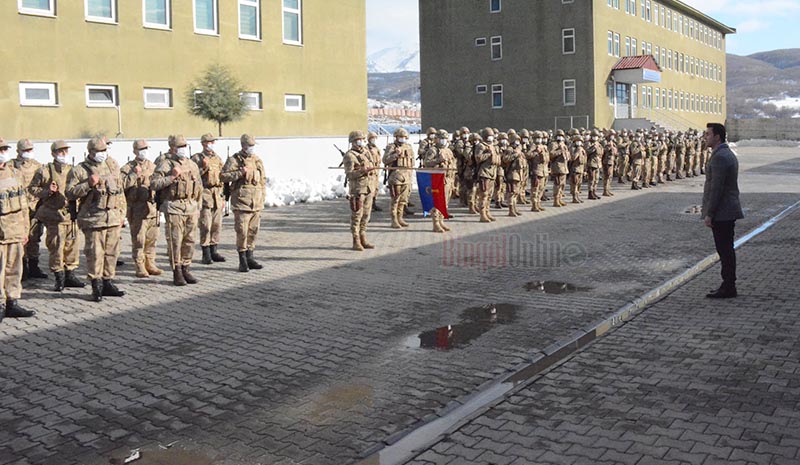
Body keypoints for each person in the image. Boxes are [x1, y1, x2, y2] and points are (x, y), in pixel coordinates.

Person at [66, 137, 126, 302]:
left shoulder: (112, 165)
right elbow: (70, 193)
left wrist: (122, 214)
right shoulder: (79, 170)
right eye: (99, 151)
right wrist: (88, 184)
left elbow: (120, 192)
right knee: (95, 253)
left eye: (104, 150)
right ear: (90, 152)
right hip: (93, 219)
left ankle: (108, 282)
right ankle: (96, 284)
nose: (102, 154)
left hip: (112, 218)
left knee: (112, 253)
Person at [29, 140, 86, 291]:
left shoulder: (74, 170)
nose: (64, 154)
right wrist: (47, 191)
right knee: (56, 247)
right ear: (53, 153)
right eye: (61, 151)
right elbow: (32, 188)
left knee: (72, 247)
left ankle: (70, 275)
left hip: (71, 215)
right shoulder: (45, 171)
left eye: (66, 151)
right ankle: (59, 277)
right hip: (54, 217)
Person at [151, 135, 202, 286]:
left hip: (191, 206)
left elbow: (199, 186)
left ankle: (186, 267)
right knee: (175, 240)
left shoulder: (192, 164)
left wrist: (198, 206)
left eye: (184, 146)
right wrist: (171, 177)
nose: (182, 149)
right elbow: (154, 184)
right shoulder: (165, 164)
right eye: (179, 147)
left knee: (190, 240)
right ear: (172, 148)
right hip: (174, 206)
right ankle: (177, 270)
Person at [702, 123, 743, 299]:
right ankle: (728, 284)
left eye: (708, 134)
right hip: (726, 210)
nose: (705, 137)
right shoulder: (726, 153)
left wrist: (710, 213)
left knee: (725, 251)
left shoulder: (720, 157)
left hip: (722, 212)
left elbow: (716, 188)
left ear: (717, 137)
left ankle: (728, 286)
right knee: (726, 250)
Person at [0, 138, 35, 321]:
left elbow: (23, 205)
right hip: (1, 234)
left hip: (15, 232)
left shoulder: (14, 173)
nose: (2, 153)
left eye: (4, 149)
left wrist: (25, 230)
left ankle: (12, 302)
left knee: (14, 270)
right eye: (0, 150)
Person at [220, 134, 266, 272]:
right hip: (242, 203)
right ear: (243, 145)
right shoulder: (234, 160)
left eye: (253, 145)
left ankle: (250, 257)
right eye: (249, 145)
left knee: (253, 231)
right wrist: (240, 173)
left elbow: (262, 180)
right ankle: (242, 260)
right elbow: (223, 176)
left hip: (256, 203)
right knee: (242, 232)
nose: (252, 148)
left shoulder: (257, 160)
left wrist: (263, 197)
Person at [120, 139, 162, 278]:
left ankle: (150, 263)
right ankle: (139, 265)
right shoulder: (127, 168)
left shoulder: (153, 166)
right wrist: (133, 175)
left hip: (151, 208)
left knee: (152, 238)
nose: (144, 151)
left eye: (146, 148)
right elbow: (121, 185)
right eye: (141, 149)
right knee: (139, 239)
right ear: (135, 151)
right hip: (137, 209)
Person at [14, 139, 48, 280]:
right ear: (18, 151)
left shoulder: (38, 166)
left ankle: (34, 267)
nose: (29, 152)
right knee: (20, 238)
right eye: (26, 150)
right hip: (18, 208)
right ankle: (22, 267)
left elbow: (44, 185)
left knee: (34, 237)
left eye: (30, 150)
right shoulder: (11, 166)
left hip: (34, 207)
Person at [192, 133, 226, 265]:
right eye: (208, 142)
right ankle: (205, 253)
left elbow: (222, 177)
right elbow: (193, 177)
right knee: (205, 225)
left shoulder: (217, 158)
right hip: (205, 194)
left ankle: (214, 250)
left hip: (217, 194)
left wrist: (223, 196)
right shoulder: (197, 158)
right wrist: (204, 167)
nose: (211, 144)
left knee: (217, 225)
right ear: (203, 143)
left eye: (212, 142)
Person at [343, 131, 377, 249]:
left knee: (366, 215)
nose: (361, 142)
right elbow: (349, 174)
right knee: (357, 216)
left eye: (362, 139)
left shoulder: (366, 152)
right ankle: (356, 240)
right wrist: (362, 171)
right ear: (352, 141)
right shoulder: (349, 156)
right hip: (358, 189)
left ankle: (363, 237)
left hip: (368, 188)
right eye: (358, 140)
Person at [383, 128, 415, 229]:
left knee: (403, 200)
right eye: (400, 137)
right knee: (395, 199)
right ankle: (394, 220)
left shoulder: (408, 147)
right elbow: (385, 160)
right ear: (396, 137)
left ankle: (400, 217)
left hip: (406, 176)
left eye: (404, 137)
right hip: (395, 176)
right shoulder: (391, 147)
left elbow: (412, 162)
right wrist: (395, 155)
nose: (402, 139)